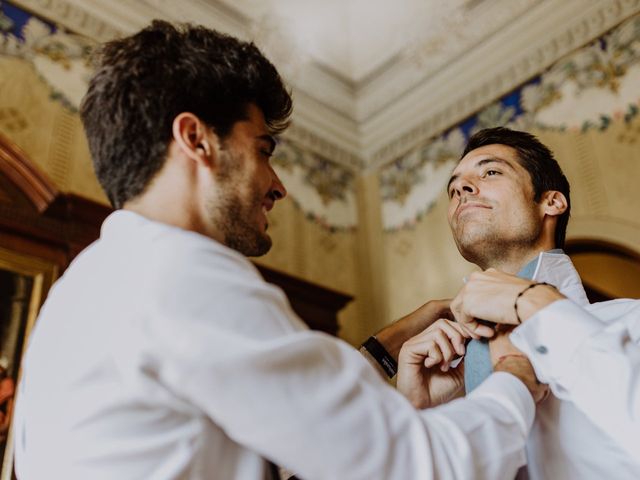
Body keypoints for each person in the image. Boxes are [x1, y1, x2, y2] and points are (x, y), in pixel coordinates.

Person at [13, 21, 546, 480]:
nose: (278, 185)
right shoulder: (182, 278)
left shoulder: (83, 290)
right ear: (196, 139)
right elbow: (412, 464)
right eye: (263, 150)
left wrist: (395, 374)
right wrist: (516, 381)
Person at [409, 127, 640, 478]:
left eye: (490, 172)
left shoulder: (629, 323)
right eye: (454, 187)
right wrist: (419, 418)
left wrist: (535, 304)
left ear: (552, 202)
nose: (461, 189)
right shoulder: (447, 382)